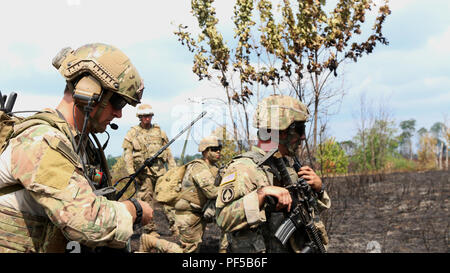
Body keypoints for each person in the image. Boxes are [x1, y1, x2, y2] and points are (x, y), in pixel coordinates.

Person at [0, 43, 153, 252]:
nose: (119, 114)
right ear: (88, 92)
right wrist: (135, 210)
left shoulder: (82, 145)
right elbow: (86, 221)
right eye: (117, 102)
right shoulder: (42, 141)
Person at [215, 94, 331, 253]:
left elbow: (308, 213)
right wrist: (261, 195)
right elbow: (223, 219)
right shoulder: (244, 169)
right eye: (300, 129)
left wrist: (318, 189)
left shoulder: (288, 169)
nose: (303, 136)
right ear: (282, 132)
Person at [122, 103, 177, 234]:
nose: (147, 118)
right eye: (144, 116)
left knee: (167, 198)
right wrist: (131, 173)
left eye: (149, 115)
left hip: (161, 171)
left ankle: (175, 226)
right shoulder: (132, 133)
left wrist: (173, 170)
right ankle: (150, 229)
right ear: (139, 117)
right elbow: (128, 154)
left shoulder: (159, 132)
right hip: (143, 173)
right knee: (146, 199)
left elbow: (168, 153)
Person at [173, 135, 223, 253]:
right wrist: (231, 191)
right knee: (188, 250)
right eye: (214, 149)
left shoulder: (214, 167)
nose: (218, 151)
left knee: (194, 248)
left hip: (197, 214)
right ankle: (153, 242)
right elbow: (211, 192)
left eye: (219, 148)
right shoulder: (199, 167)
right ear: (205, 151)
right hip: (188, 215)